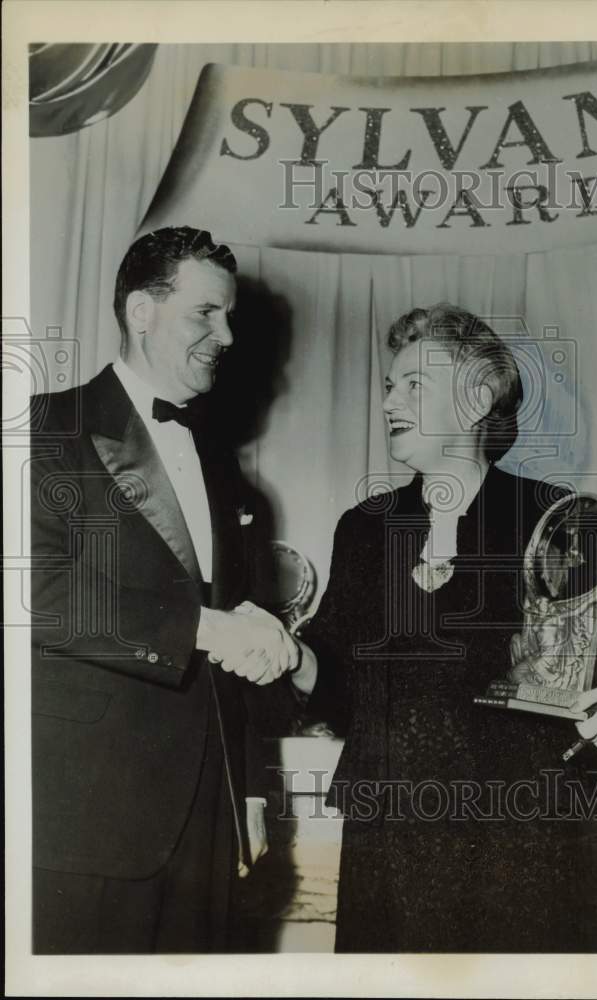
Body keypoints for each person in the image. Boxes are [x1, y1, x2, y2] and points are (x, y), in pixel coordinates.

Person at [287, 303, 597, 952]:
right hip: (388, 839)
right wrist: (292, 657)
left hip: (518, 841)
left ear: (477, 399)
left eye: (416, 383)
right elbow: (336, 683)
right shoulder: (363, 530)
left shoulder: (554, 519)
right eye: (390, 384)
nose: (391, 399)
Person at [30, 226, 300, 954]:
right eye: (206, 312)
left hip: (209, 820)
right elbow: (34, 594)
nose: (229, 334)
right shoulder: (41, 430)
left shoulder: (222, 468)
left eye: (231, 314)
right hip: (85, 820)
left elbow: (233, 663)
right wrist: (203, 628)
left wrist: (245, 791)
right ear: (141, 311)